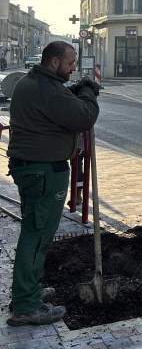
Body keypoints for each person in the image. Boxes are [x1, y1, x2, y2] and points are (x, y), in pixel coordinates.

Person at [6, 41, 99, 326]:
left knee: (35, 233)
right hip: (43, 172)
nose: (72, 69)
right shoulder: (45, 89)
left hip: (33, 169)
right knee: (37, 236)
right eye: (70, 64)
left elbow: (58, 102)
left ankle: (28, 291)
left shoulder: (33, 82)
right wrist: (87, 93)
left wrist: (74, 91)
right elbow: (83, 116)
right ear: (54, 62)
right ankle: (26, 306)